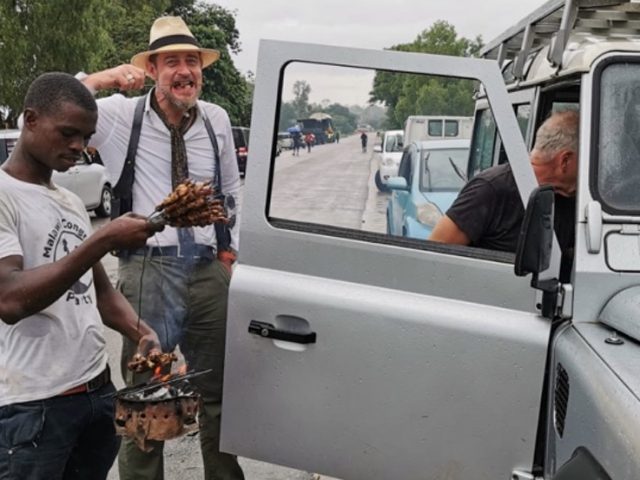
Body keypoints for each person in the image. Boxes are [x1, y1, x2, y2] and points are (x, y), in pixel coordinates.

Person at [79, 16, 244, 480]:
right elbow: (50, 105)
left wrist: (230, 256)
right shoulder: (117, 115)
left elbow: (231, 192)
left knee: (219, 397)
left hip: (208, 270)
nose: (185, 71)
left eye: (192, 61)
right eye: (172, 61)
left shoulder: (216, 119)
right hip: (147, 271)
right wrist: (105, 79)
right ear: (151, 70)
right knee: (142, 402)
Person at [0, 72, 163, 480]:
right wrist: (104, 238)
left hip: (95, 392)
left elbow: (99, 292)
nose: (79, 147)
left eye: (86, 137)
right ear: (31, 120)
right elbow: (10, 300)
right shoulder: (4, 195)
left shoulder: (70, 201)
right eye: (68, 133)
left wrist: (141, 331)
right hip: (33, 405)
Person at [429, 110, 578, 278]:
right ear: (565, 160)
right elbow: (434, 257)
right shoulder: (490, 189)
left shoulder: (575, 202)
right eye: (586, 160)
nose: (591, 171)